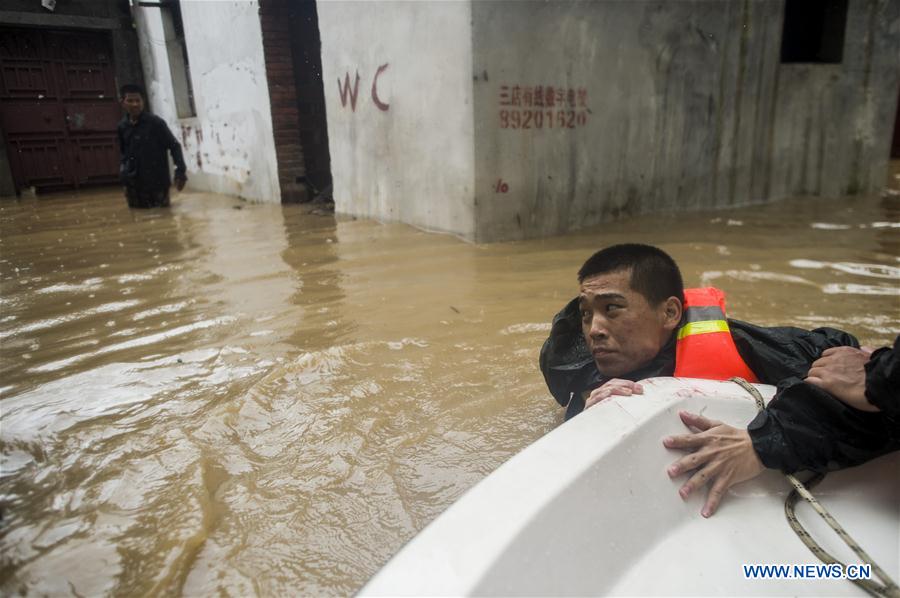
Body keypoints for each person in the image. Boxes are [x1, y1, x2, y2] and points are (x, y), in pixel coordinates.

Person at [540, 244, 899, 517]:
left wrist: (769, 438)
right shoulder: (581, 369)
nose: (594, 330)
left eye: (612, 309)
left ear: (669, 313)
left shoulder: (741, 345)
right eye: (587, 315)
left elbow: (843, 355)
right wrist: (587, 417)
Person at [117, 84, 187, 208]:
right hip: (133, 185)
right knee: (137, 219)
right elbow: (124, 154)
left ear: (143, 102)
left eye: (138, 100)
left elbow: (174, 146)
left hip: (157, 184)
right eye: (130, 101)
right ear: (122, 102)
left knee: (162, 219)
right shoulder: (122, 126)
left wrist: (180, 172)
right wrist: (124, 181)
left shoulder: (155, 123)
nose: (135, 104)